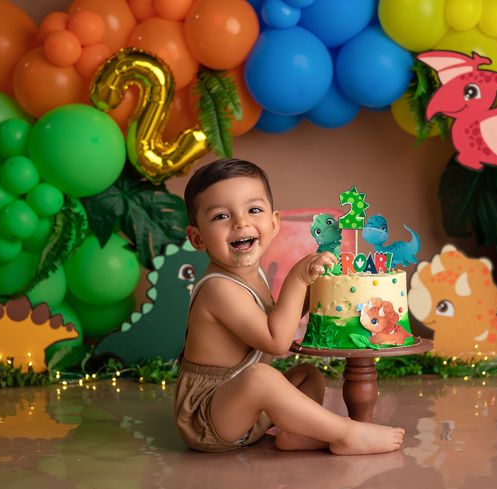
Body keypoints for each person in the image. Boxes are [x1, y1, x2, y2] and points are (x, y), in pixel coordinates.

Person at [174, 158, 405, 454]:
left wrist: (317, 289)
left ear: (273, 224)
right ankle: (346, 433)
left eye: (253, 210)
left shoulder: (251, 272)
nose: (240, 223)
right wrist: (297, 277)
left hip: (245, 407)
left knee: (308, 374)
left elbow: (276, 319)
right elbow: (276, 340)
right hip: (208, 417)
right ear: (197, 238)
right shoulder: (219, 289)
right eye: (220, 216)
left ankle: (298, 434)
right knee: (261, 378)